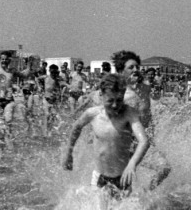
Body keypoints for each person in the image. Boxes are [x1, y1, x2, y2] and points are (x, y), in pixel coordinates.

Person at [62, 73, 149, 198]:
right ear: (101, 95)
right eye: (110, 100)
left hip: (123, 177)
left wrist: (132, 164)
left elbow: (144, 141)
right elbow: (76, 127)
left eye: (119, 100)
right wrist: (68, 153)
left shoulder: (129, 114)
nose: (115, 105)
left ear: (124, 95)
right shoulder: (92, 114)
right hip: (99, 177)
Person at [111, 50, 171, 190]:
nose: (136, 70)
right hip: (124, 143)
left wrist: (152, 136)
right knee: (125, 186)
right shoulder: (118, 92)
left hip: (144, 142)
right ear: (121, 71)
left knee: (164, 168)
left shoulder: (145, 88)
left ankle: (147, 193)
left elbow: (150, 111)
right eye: (131, 68)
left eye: (137, 67)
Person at [0, 51, 33, 141]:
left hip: (9, 100)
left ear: (9, 60)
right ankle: (4, 140)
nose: (4, 61)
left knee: (8, 121)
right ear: (0, 60)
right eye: (2, 59)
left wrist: (28, 65)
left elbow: (24, 75)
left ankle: (9, 142)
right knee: (0, 124)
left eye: (6, 59)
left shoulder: (12, 71)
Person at [35, 64, 69, 136]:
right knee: (47, 115)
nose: (53, 74)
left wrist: (66, 87)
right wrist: (39, 87)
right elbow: (37, 79)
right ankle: (46, 132)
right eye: (52, 72)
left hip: (54, 101)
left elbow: (65, 83)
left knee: (53, 116)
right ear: (49, 71)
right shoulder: (45, 77)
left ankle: (49, 131)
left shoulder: (58, 79)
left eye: (55, 72)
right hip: (46, 100)